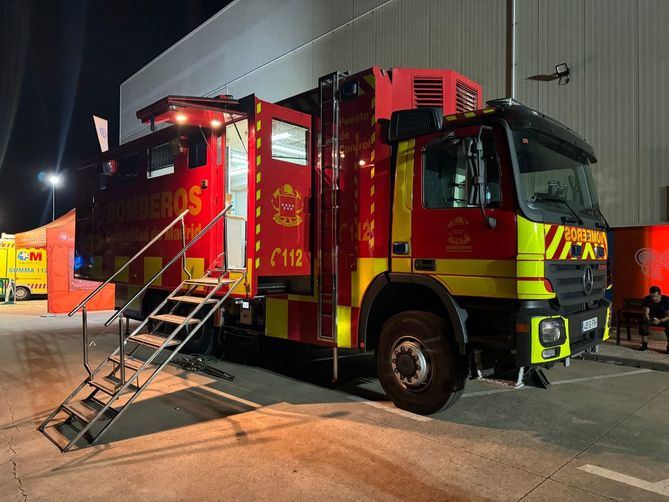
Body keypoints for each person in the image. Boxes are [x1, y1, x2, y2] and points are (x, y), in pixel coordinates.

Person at [640, 285, 669, 353]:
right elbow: (645, 312)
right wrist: (647, 319)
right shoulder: (647, 299)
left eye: (655, 296)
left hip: (663, 318)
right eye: (652, 296)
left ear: (660, 295)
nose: (653, 298)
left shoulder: (666, 300)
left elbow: (668, 315)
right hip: (652, 318)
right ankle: (644, 344)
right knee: (643, 321)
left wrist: (660, 320)